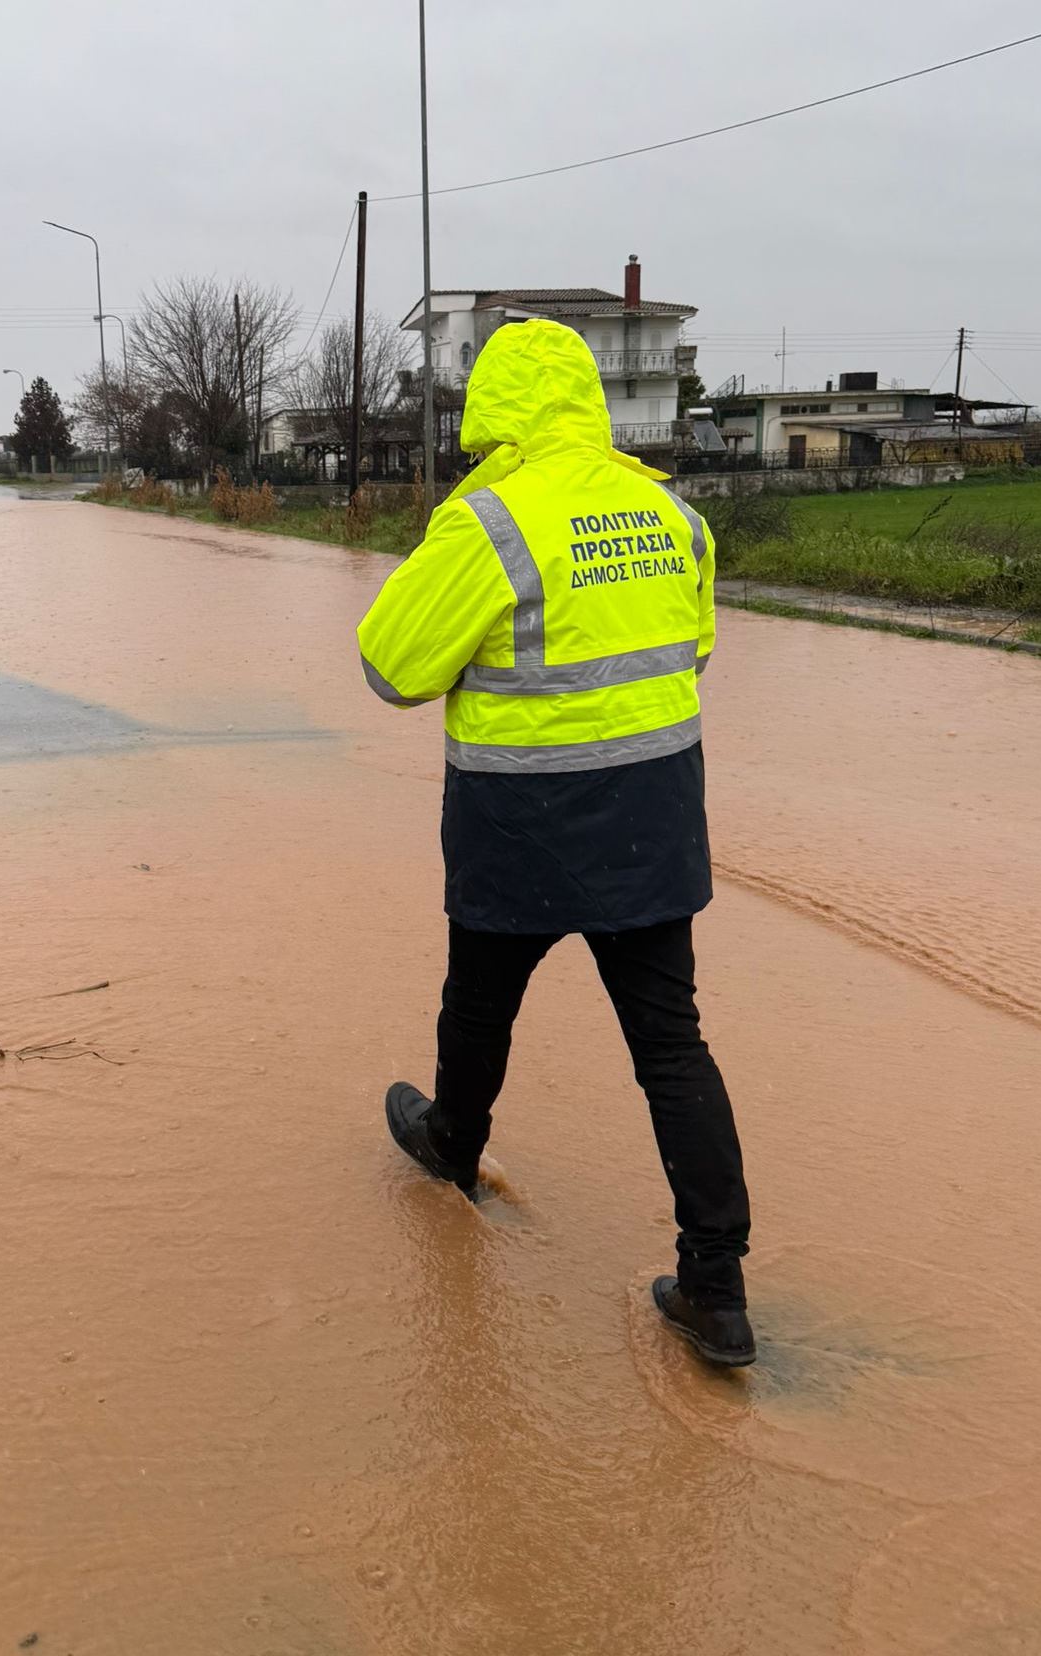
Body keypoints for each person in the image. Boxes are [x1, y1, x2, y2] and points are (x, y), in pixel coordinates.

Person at [356, 319, 754, 1367]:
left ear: (492, 408)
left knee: (480, 1004)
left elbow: (391, 667)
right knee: (672, 1044)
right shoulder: (672, 513)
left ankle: (455, 1145)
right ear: (588, 394)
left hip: (518, 820)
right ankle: (717, 1287)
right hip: (653, 818)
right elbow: (694, 646)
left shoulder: (485, 522)